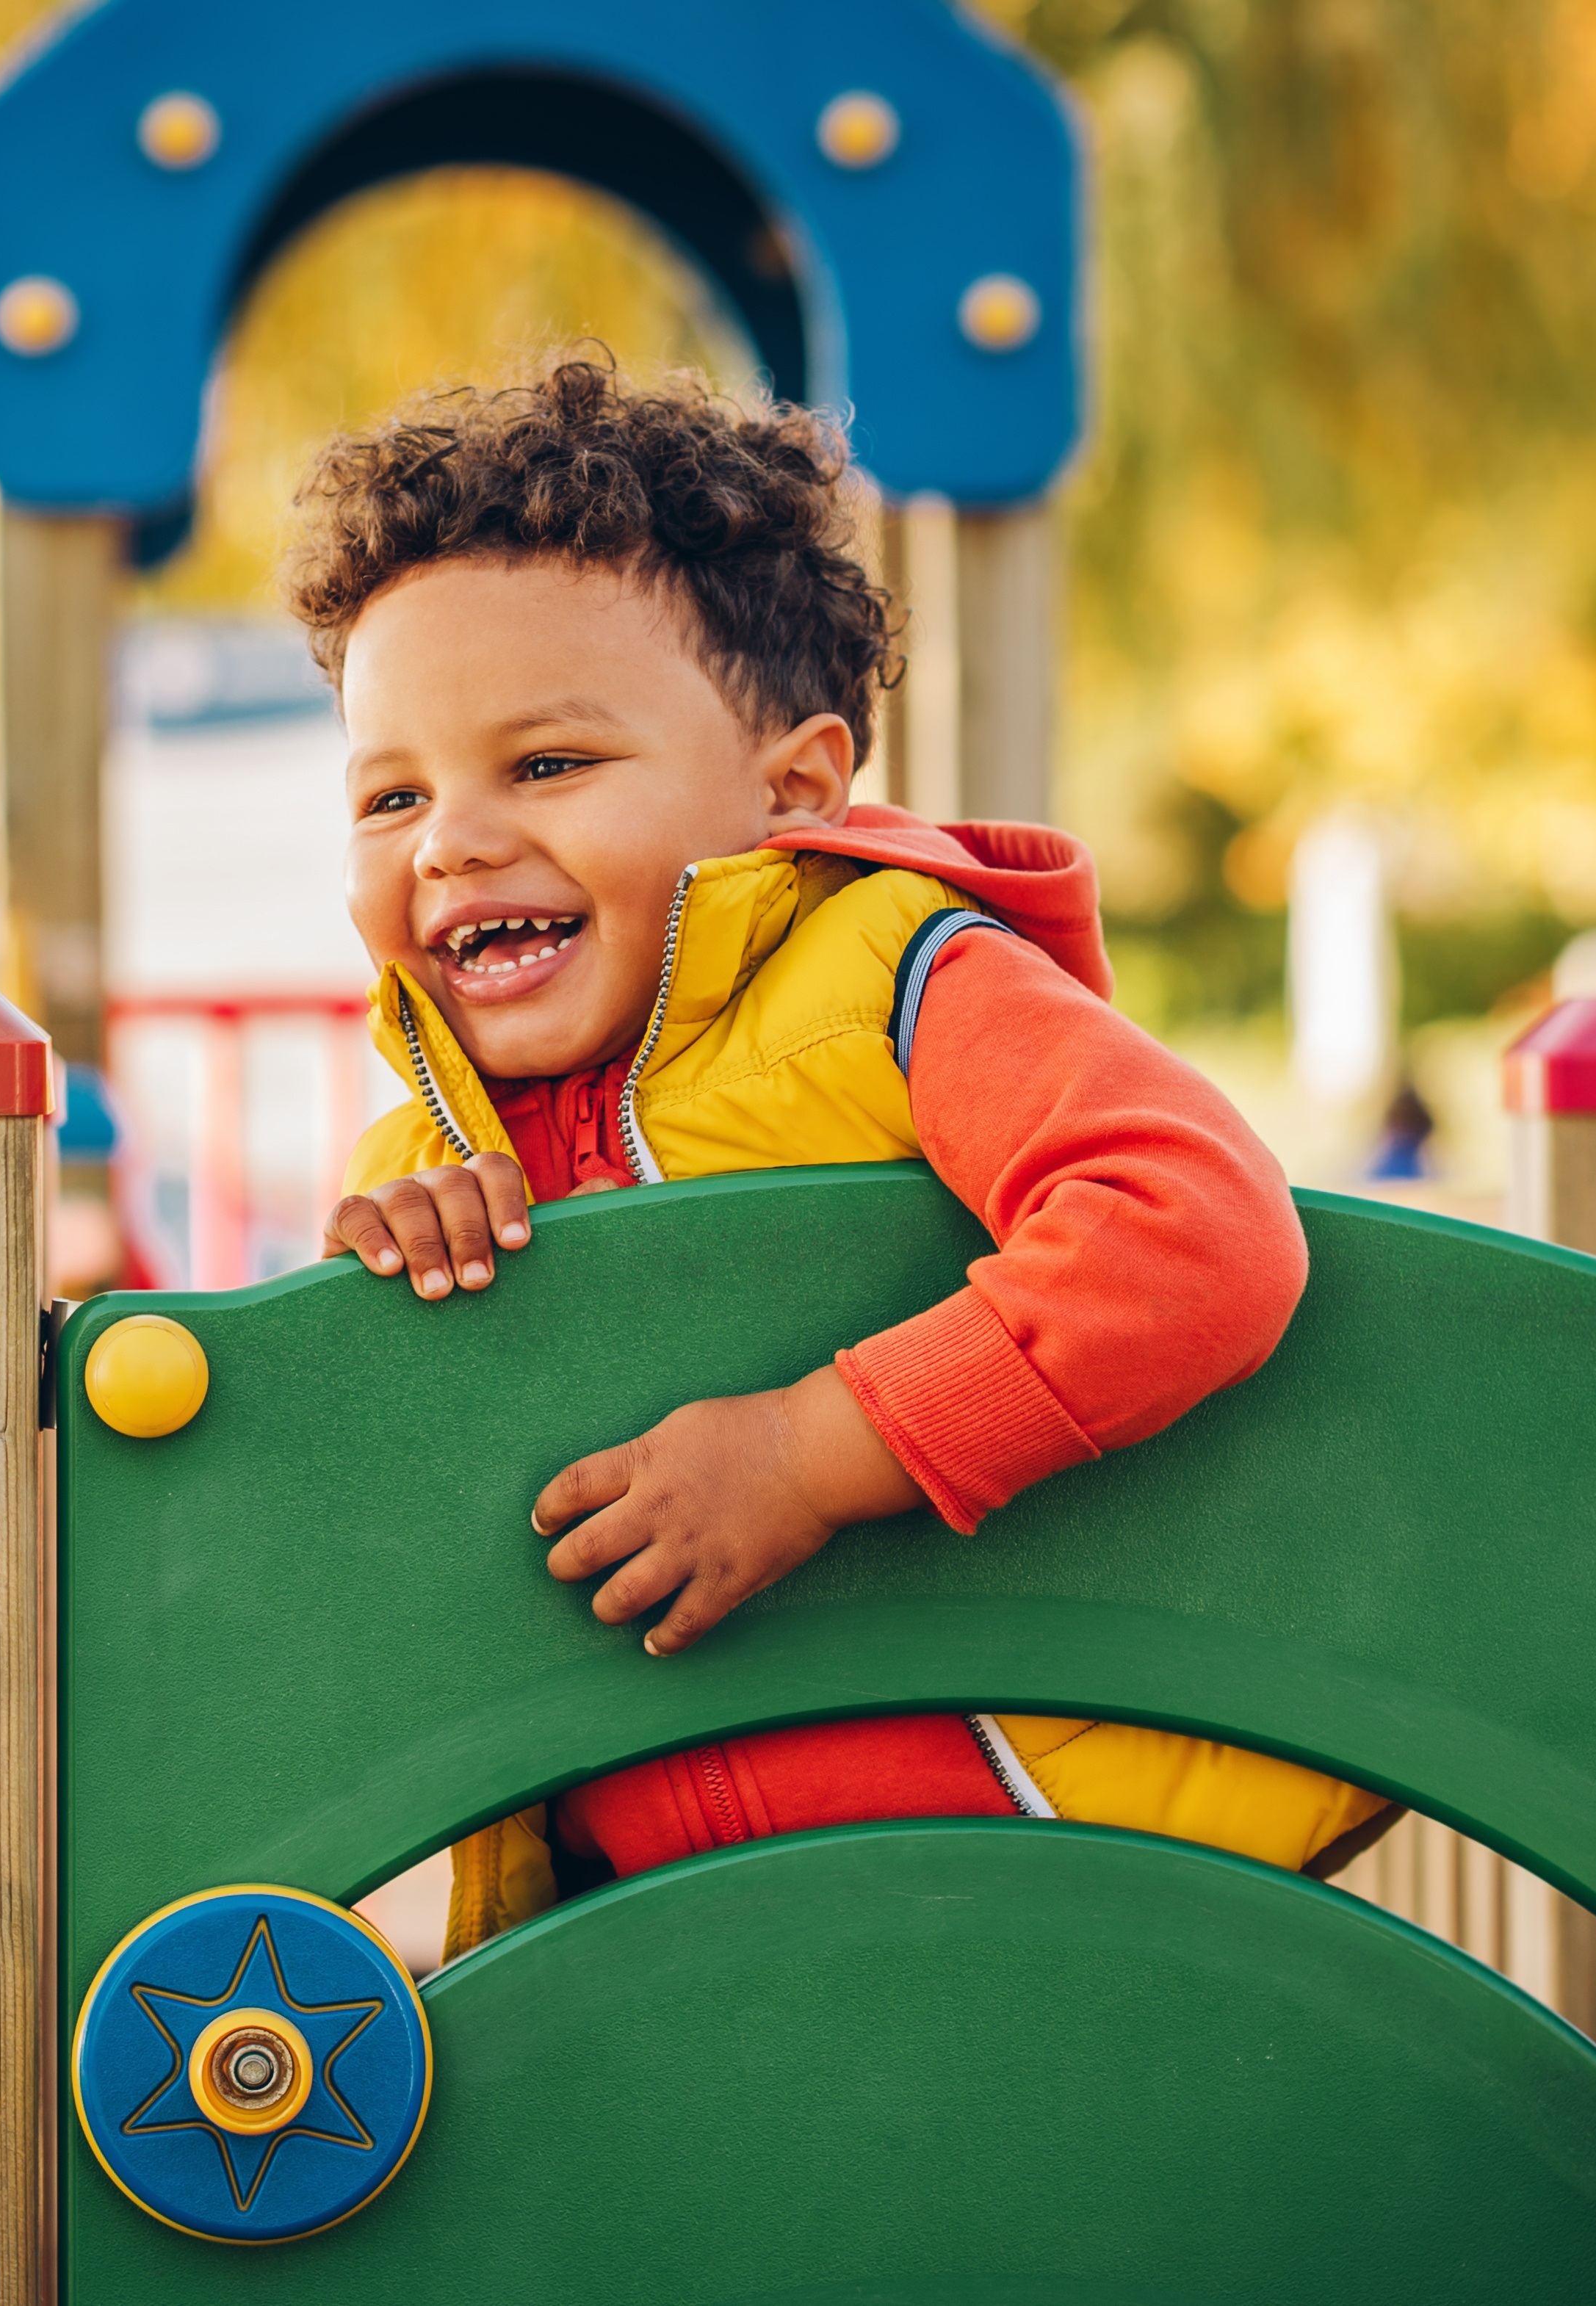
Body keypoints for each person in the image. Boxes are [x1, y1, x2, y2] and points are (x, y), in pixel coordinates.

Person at [296, 358, 1393, 1960]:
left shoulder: (894, 977)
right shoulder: (428, 1144)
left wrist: (810, 1452)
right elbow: (385, 1550)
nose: (449, 840)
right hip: (661, 1948)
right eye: (390, 795)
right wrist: (379, 1319)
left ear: (792, 786)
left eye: (544, 765)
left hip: (1054, 1858)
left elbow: (1192, 1225)